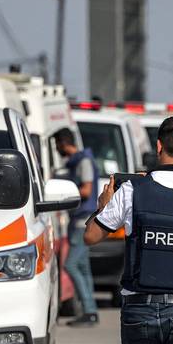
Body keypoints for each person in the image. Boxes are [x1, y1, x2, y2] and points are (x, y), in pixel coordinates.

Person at [83, 116, 173, 344]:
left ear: (158, 147)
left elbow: (90, 236)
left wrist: (102, 207)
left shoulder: (131, 190)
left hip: (140, 310)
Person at [54, 130, 100, 327]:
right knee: (82, 267)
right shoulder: (76, 162)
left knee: (70, 265)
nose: (57, 149)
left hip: (82, 221)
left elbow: (87, 190)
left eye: (57, 144)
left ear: (64, 143)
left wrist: (64, 193)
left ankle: (89, 310)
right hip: (79, 220)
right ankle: (90, 312)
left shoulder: (83, 162)